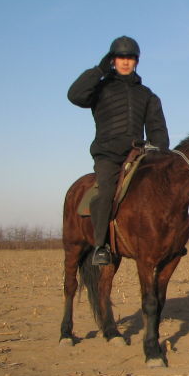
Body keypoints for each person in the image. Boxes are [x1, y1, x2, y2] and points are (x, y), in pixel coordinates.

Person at [68, 36, 169, 266]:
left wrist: (158, 151)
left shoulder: (147, 95)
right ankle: (100, 246)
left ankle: (165, 241)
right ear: (113, 60)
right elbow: (74, 95)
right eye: (120, 57)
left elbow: (158, 131)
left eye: (130, 58)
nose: (125, 62)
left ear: (136, 61)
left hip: (138, 155)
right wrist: (99, 70)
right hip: (108, 155)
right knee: (105, 194)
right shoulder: (100, 88)